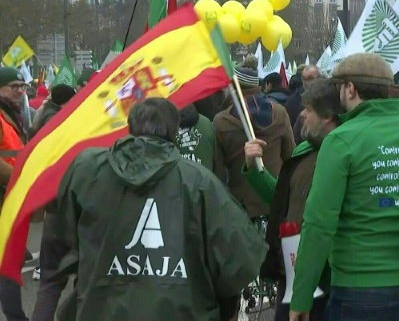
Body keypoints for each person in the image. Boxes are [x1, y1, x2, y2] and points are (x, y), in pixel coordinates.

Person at [49, 98, 266, 320]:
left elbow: (59, 248)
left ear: (131, 126)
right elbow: (235, 266)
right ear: (174, 131)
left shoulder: (87, 170)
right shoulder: (201, 183)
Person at [288, 53, 399, 321]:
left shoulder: (341, 140)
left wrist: (302, 295)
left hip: (358, 289)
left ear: (350, 89)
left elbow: (319, 224)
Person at [242, 79, 343, 320]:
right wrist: (255, 168)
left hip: (325, 278)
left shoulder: (343, 154)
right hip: (291, 272)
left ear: (327, 116)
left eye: (308, 110)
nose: (302, 115)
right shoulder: (304, 150)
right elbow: (280, 200)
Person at [213, 59, 295, 220]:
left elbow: (218, 170)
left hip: (239, 207)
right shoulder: (279, 112)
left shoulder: (221, 120)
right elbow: (290, 157)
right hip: (274, 199)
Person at [0, 67, 29, 321]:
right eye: (13, 86)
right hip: (4, 195)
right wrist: (18, 182)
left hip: (9, 195)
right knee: (8, 260)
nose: (20, 90)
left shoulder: (12, 114)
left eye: (22, 86)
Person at [176, 104, 224, 179]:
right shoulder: (207, 123)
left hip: (180, 186)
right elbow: (218, 159)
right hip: (207, 184)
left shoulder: (165, 128)